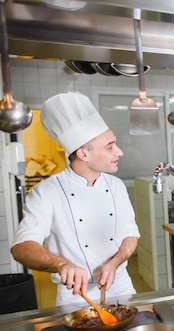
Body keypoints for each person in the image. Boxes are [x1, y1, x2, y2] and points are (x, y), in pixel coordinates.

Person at [11, 91, 140, 306]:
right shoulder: (47, 192)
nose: (119, 152)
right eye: (110, 146)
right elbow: (21, 247)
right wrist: (61, 264)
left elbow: (130, 235)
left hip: (122, 288)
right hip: (76, 298)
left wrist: (115, 263)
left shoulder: (116, 186)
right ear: (83, 154)